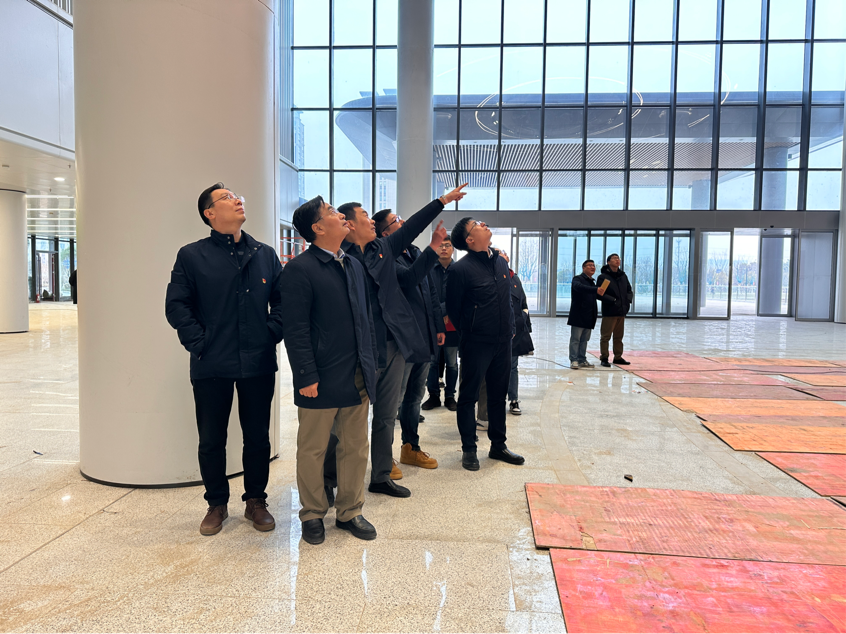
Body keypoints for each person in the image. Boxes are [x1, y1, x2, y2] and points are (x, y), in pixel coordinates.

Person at [326, 184, 467, 498]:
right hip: (359, 348)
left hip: (394, 343)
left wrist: (442, 201)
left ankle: (380, 475)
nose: (371, 221)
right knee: (344, 419)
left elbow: (413, 227)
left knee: (387, 413)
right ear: (350, 224)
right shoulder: (342, 258)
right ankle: (328, 479)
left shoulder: (382, 249)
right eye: (365, 216)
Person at [165, 183, 283, 536]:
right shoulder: (192, 255)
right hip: (211, 362)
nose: (238, 201)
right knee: (211, 439)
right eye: (228, 198)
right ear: (210, 213)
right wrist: (199, 343)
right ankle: (216, 503)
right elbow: (177, 305)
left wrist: (269, 333)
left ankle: (256, 500)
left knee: (258, 437)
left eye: (238, 197)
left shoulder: (264, 254)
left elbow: (283, 301)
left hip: (257, 361)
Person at [281, 196, 379, 545]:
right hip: (320, 377)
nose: (341, 216)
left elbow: (365, 319)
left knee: (355, 446)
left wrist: (371, 363)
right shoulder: (299, 269)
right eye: (333, 213)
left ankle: (350, 510)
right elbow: (295, 329)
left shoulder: (353, 264)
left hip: (356, 373)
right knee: (313, 449)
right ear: (318, 228)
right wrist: (305, 375)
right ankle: (312, 513)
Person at [446, 218, 524, 471]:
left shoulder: (500, 261)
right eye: (477, 224)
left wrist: (510, 328)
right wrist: (473, 330)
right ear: (469, 240)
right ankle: (469, 449)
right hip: (476, 342)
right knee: (468, 396)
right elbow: (454, 311)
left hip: (503, 341)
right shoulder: (460, 270)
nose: (484, 224)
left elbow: (507, 299)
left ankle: (498, 445)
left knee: (498, 395)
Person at [373, 209, 444, 472]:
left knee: (415, 397)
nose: (402, 221)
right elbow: (410, 278)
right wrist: (433, 248)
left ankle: (410, 447)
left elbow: (431, 292)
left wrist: (438, 327)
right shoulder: (385, 258)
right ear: (385, 233)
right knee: (394, 401)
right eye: (396, 221)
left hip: (423, 337)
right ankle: (384, 458)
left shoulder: (414, 252)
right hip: (402, 340)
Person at [421, 238, 459, 412]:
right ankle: (433, 396)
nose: (444, 248)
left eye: (447, 245)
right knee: (432, 362)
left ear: (453, 249)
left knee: (452, 363)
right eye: (440, 245)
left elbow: (460, 296)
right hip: (433, 323)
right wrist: (440, 314)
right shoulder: (428, 269)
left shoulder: (459, 270)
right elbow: (426, 295)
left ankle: (450, 396)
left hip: (453, 324)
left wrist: (445, 312)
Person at [499, 251, 533, 415]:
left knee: (513, 366)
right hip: (497, 330)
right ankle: (495, 400)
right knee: (497, 368)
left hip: (515, 330)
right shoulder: (490, 277)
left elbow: (523, 303)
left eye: (504, 255)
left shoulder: (515, 278)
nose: (503, 257)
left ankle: (513, 399)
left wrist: (523, 320)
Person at [596, 253, 632, 368]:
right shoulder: (603, 277)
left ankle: (618, 357)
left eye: (618, 258)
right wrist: (613, 300)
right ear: (608, 262)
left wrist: (627, 301)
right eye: (614, 258)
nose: (617, 260)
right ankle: (604, 357)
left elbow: (629, 290)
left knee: (619, 337)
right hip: (610, 311)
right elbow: (600, 294)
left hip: (621, 311)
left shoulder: (623, 276)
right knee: (605, 336)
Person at [568, 259, 605, 369]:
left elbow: (596, 294)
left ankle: (582, 359)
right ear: (583, 268)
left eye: (593, 265)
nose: (592, 267)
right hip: (578, 314)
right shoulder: (577, 279)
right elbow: (579, 287)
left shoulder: (592, 282)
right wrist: (595, 289)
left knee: (584, 340)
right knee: (575, 339)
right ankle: (574, 360)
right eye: (589, 265)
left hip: (589, 315)